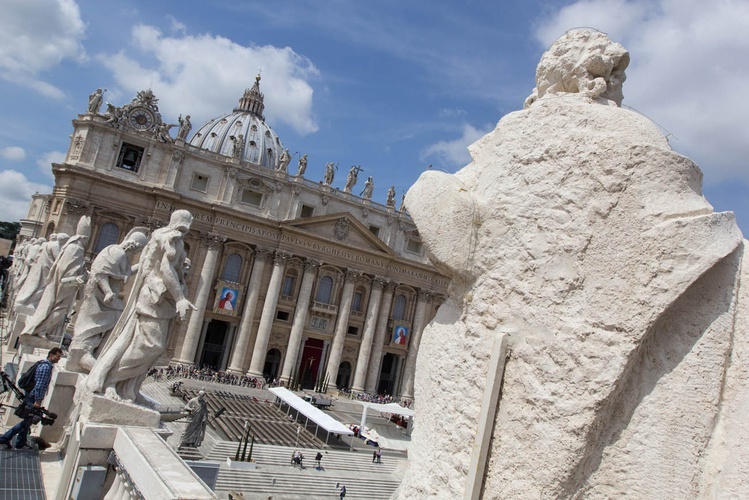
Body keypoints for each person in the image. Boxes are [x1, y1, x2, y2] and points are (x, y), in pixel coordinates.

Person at [84, 210, 195, 403]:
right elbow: (165, 269)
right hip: (154, 297)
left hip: (162, 299)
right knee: (150, 344)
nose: (188, 227)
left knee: (153, 347)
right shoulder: (167, 238)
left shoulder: (173, 240)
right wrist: (179, 298)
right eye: (188, 223)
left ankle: (128, 389)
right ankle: (110, 381)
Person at [68, 230, 148, 373]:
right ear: (134, 245)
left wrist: (142, 264)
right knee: (103, 322)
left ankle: (94, 353)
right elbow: (101, 272)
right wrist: (108, 291)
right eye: (139, 249)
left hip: (104, 297)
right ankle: (85, 354)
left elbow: (126, 273)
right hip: (100, 296)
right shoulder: (118, 253)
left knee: (113, 322)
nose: (137, 252)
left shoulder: (117, 252)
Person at [0, 348, 63, 449]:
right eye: (58, 356)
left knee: (28, 421)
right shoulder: (46, 367)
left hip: (31, 395)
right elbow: (39, 385)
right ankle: (5, 438)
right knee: (27, 421)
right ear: (51, 354)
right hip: (33, 397)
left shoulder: (42, 364)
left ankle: (21, 442)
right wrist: (37, 401)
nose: (59, 358)